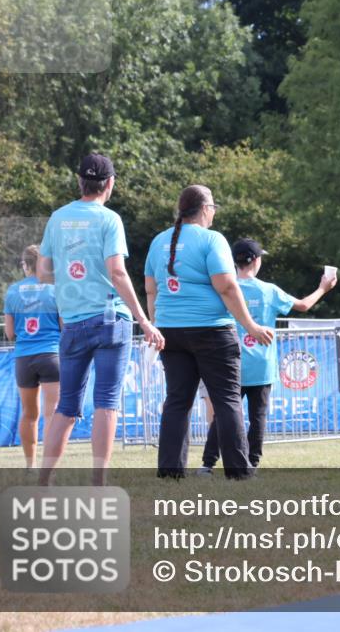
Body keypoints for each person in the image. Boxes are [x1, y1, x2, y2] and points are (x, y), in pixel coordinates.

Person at [37, 154, 164, 486]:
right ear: (110, 183)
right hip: (110, 320)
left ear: (79, 181)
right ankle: (99, 483)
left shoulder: (57, 218)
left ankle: (43, 481)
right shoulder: (110, 219)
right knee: (106, 402)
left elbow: (43, 272)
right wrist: (144, 320)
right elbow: (117, 272)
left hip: (73, 323)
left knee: (66, 406)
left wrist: (71, 279)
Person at [144, 185, 273, 480]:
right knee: (227, 400)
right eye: (213, 207)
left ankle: (170, 471)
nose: (214, 212)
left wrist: (156, 325)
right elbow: (226, 286)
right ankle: (239, 472)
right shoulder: (212, 240)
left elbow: (151, 290)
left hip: (171, 331)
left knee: (177, 401)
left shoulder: (158, 241)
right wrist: (251, 326)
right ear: (205, 209)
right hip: (211, 331)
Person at [198, 238, 336, 475]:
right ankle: (252, 463)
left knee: (223, 414)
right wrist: (323, 288)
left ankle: (207, 464)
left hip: (231, 362)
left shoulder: (223, 288)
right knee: (258, 417)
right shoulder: (268, 290)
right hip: (261, 365)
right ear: (255, 261)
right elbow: (303, 305)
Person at [4, 245, 61, 470]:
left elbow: (9, 333)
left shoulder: (12, 291)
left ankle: (30, 465)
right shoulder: (54, 290)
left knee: (29, 415)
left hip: (24, 358)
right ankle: (48, 469)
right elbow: (64, 326)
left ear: (25, 265)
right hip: (51, 355)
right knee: (52, 413)